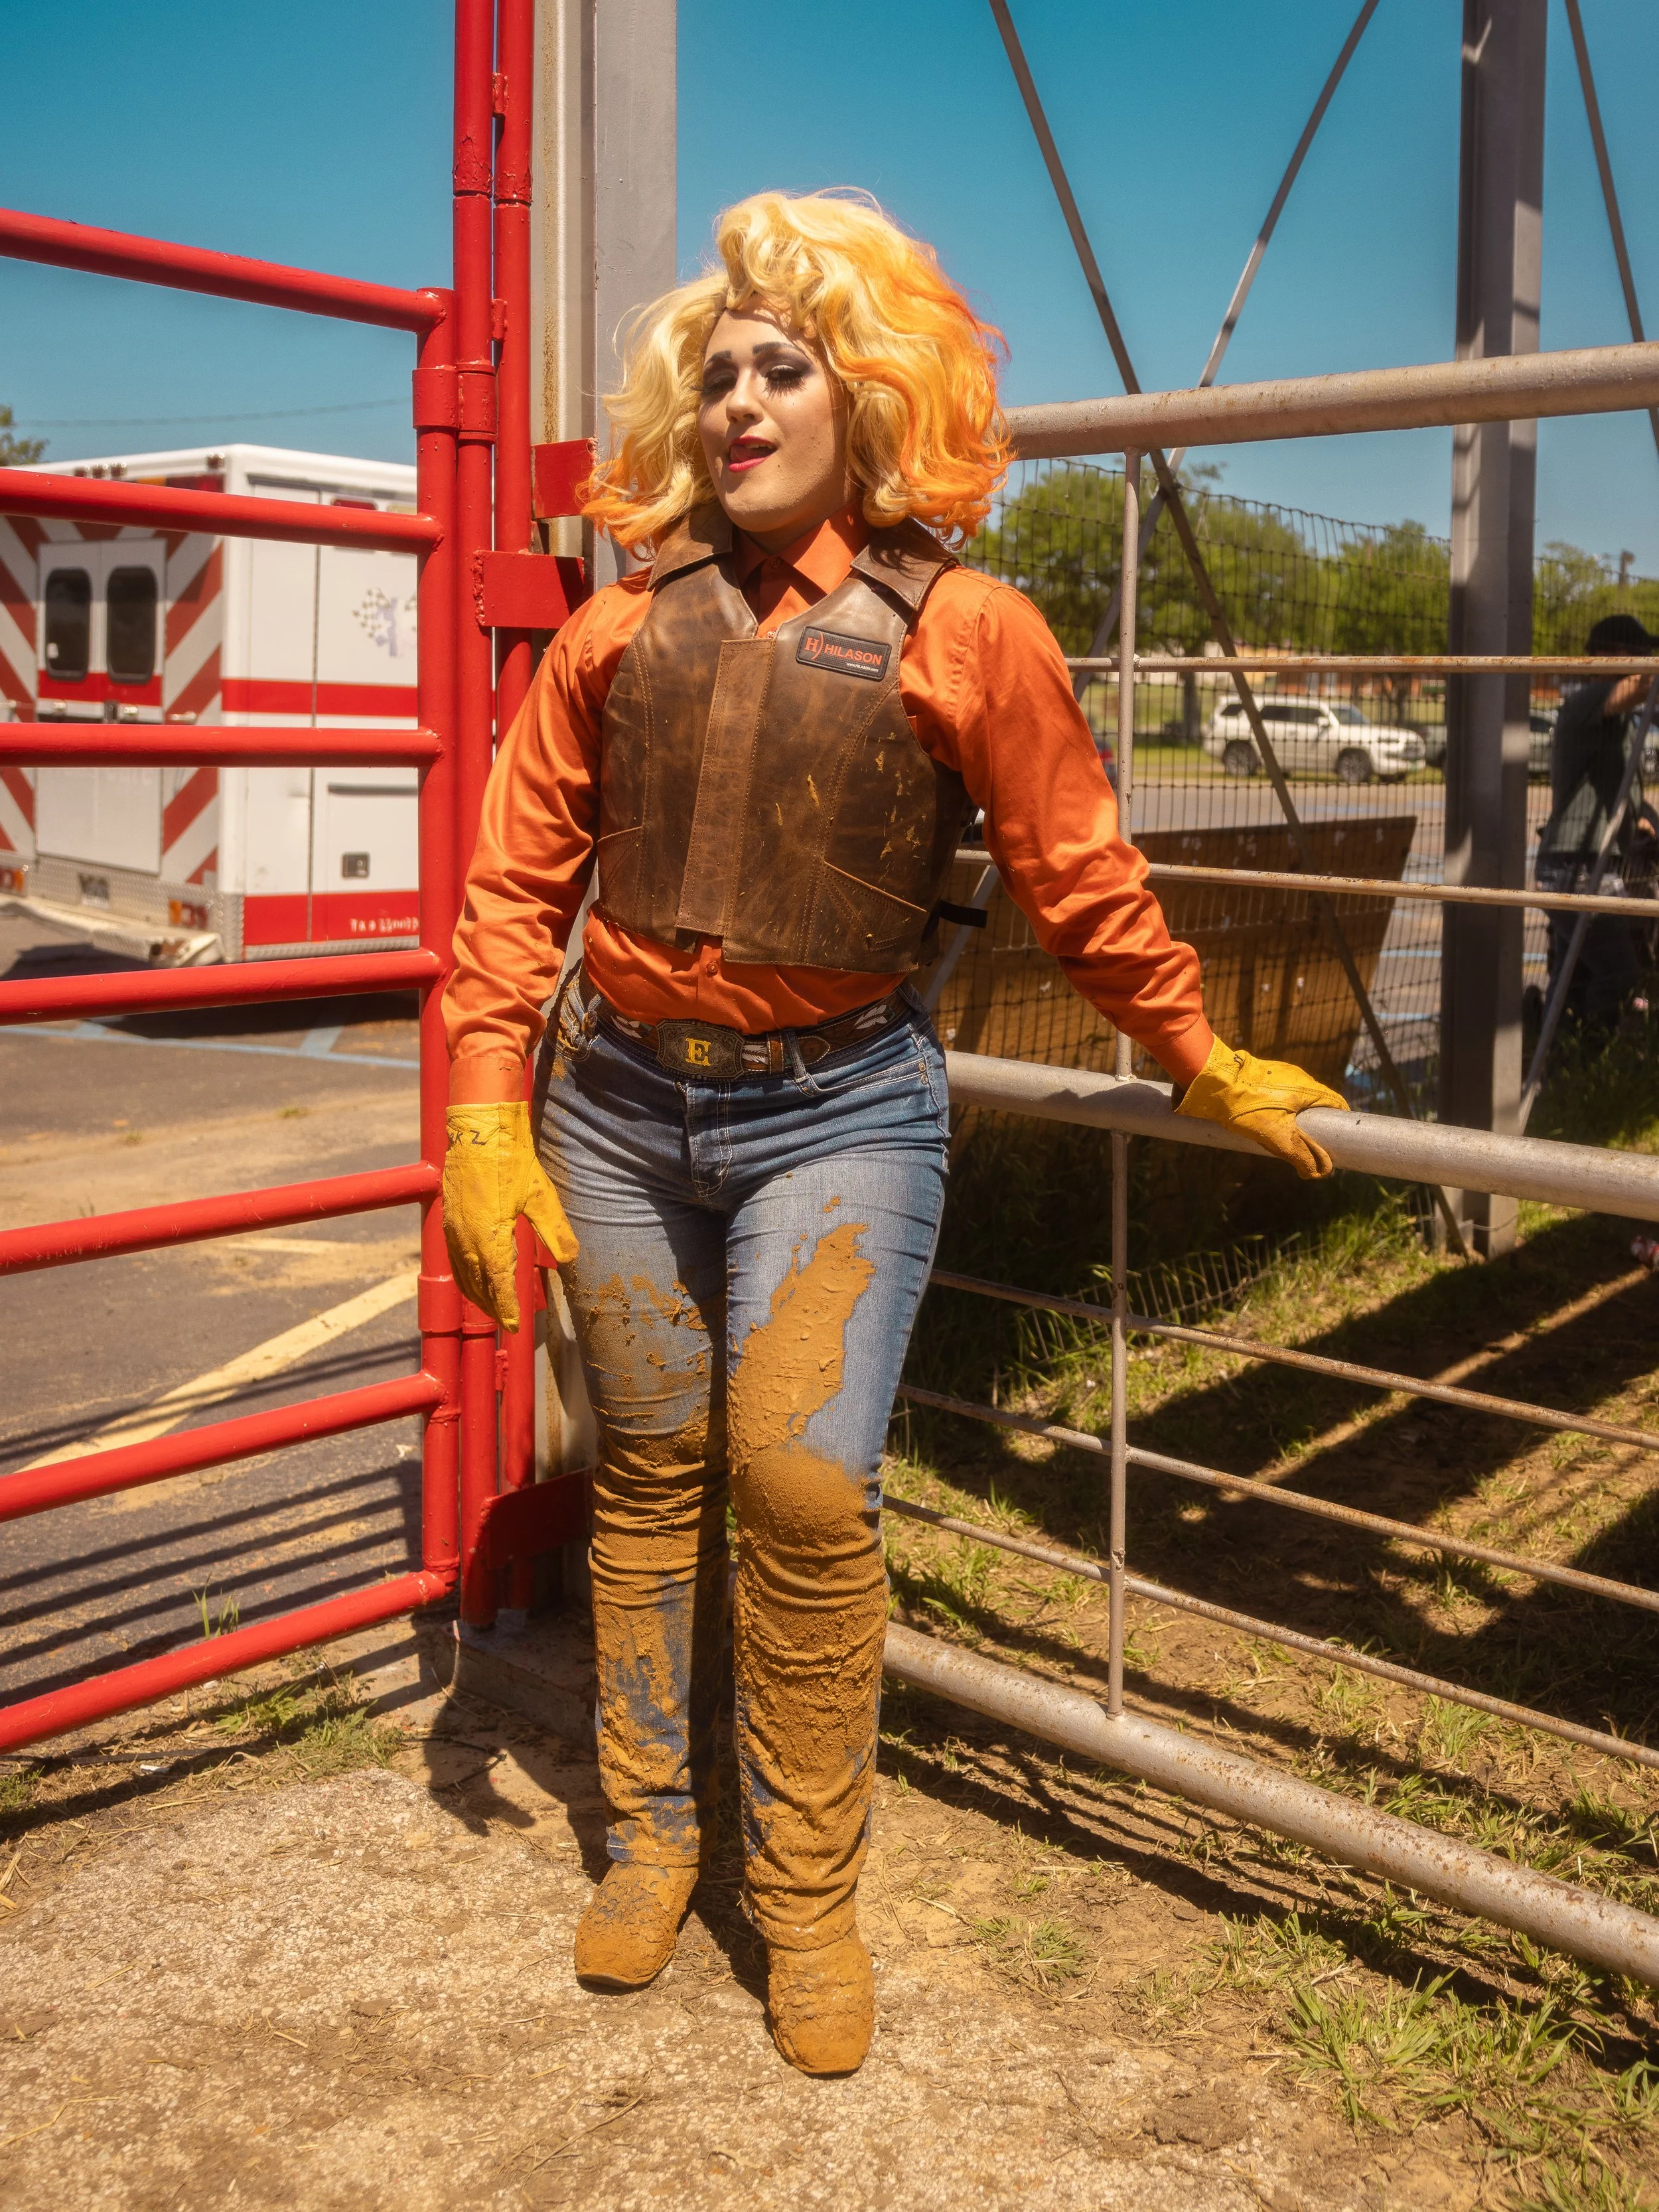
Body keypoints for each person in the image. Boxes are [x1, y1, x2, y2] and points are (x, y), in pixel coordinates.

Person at [439, 190, 1345, 2077]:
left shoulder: (970, 628)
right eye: (717, 374)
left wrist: (1195, 1049)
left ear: (867, 392)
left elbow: (1080, 873)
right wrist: (476, 1107)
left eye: (785, 369)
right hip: (614, 1110)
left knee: (797, 1483)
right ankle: (654, 1836)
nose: (740, 404)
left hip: (839, 1109)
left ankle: (808, 1892)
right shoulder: (617, 624)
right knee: (648, 1465)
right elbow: (513, 887)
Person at [1535, 612, 1659, 1049]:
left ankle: (1558, 1060)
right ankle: (1591, 1055)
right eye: (1640, 654)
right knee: (1620, 970)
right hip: (1577, 865)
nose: (1647, 662)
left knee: (1573, 972)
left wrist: (1642, 820)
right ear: (1608, 656)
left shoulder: (1622, 718)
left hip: (1596, 863)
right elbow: (1636, 687)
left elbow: (1616, 785)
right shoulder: (1587, 700)